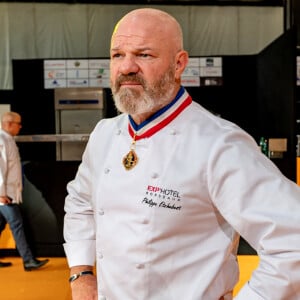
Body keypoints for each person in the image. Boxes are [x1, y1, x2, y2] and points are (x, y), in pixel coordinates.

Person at [63, 8, 300, 300]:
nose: (127, 67)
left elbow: (293, 240)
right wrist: (81, 273)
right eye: (117, 55)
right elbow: (80, 203)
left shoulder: (219, 144)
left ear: (178, 64)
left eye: (144, 55)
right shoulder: (104, 134)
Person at [0, 111, 49, 271]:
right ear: (8, 124)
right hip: (4, 196)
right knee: (16, 224)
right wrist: (1, 193)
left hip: (7, 194)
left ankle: (28, 260)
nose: (20, 127)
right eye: (18, 123)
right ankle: (28, 260)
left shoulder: (7, 140)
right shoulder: (2, 140)